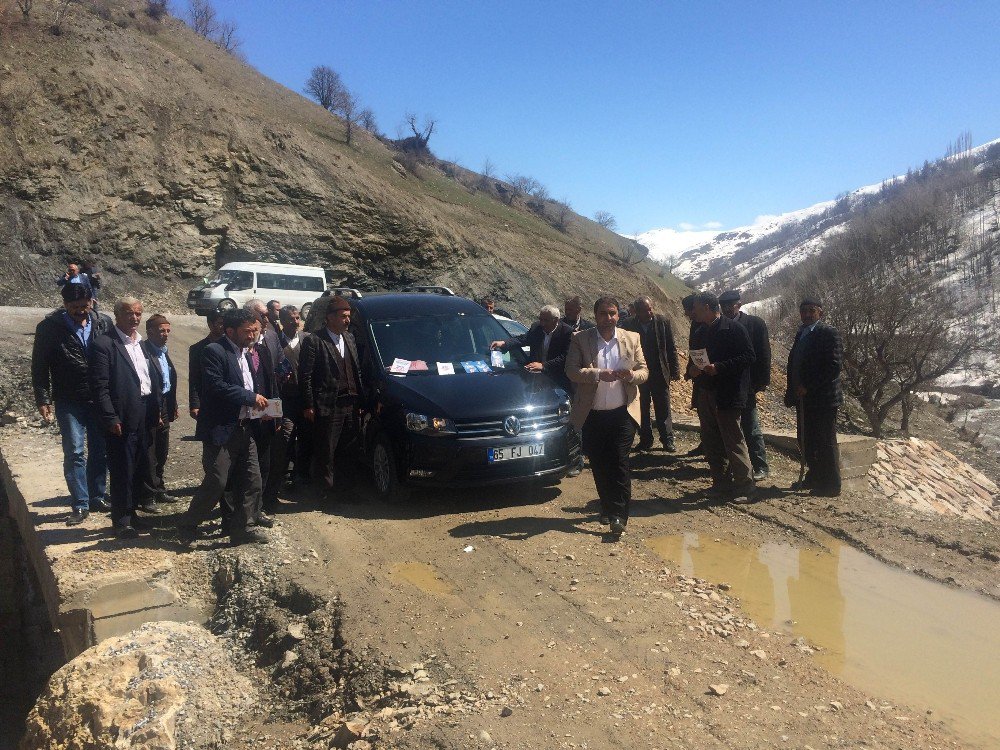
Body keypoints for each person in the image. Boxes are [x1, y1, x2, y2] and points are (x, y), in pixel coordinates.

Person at [179, 309, 271, 546]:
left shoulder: (246, 353)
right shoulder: (214, 351)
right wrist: (249, 397)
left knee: (253, 481)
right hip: (221, 429)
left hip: (244, 428)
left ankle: (243, 528)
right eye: (247, 331)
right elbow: (216, 386)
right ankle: (189, 524)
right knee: (218, 481)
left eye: (254, 330)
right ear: (231, 331)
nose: (252, 335)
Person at [565, 296, 648, 536]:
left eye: (612, 313)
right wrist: (599, 374)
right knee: (600, 463)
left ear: (618, 315)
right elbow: (571, 371)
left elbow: (644, 370)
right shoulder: (580, 339)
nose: (608, 318)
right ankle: (606, 505)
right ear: (596, 315)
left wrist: (631, 376)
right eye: (603, 313)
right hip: (592, 414)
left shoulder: (631, 339)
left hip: (623, 412)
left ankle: (618, 515)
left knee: (619, 461)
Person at [31, 284, 113, 525]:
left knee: (101, 449)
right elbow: (39, 366)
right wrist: (43, 398)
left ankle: (97, 496)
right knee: (75, 451)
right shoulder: (48, 328)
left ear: (91, 302)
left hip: (99, 397)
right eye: (75, 307)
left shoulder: (103, 323)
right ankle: (80, 504)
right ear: (65, 305)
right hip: (69, 399)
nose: (81, 311)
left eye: (84, 306)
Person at [89, 297, 160, 538]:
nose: (135, 318)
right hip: (122, 415)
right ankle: (121, 520)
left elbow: (148, 378)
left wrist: (157, 410)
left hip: (144, 410)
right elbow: (100, 386)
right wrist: (110, 417)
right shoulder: (104, 344)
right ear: (117, 315)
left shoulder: (141, 344)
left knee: (140, 464)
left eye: (138, 314)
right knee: (122, 467)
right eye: (130, 314)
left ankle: (133, 513)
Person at [689, 292, 756, 499]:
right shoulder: (700, 331)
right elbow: (695, 357)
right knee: (711, 440)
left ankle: (745, 484)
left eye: (697, 309)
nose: (694, 313)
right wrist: (691, 370)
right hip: (706, 391)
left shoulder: (734, 329)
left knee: (733, 439)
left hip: (728, 392)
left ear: (708, 308)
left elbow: (748, 357)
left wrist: (719, 367)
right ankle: (720, 482)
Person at [298, 295, 364, 498]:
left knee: (349, 448)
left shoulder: (350, 338)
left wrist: (361, 399)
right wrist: (308, 405)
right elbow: (306, 376)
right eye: (343, 316)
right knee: (326, 450)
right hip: (329, 404)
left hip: (351, 403)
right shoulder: (314, 340)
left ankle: (345, 490)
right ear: (329, 317)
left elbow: (357, 370)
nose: (347, 320)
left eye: (349, 316)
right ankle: (325, 491)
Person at [784, 297, 843, 496]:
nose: (807, 314)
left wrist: (808, 386)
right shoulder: (801, 332)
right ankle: (815, 476)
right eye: (804, 311)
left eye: (812, 310)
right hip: (804, 398)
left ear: (820, 313)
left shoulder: (828, 333)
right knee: (806, 439)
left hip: (823, 398)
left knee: (825, 441)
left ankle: (832, 484)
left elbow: (833, 367)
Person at [720, 290, 772, 480]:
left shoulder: (755, 324)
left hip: (748, 383)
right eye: (724, 306)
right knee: (733, 429)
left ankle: (760, 465)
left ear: (738, 305)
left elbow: (764, 354)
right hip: (728, 384)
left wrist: (762, 381)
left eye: (730, 306)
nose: (727, 309)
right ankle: (738, 466)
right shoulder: (720, 326)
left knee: (751, 426)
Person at [263, 305, 309, 508]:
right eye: (291, 319)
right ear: (282, 321)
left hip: (305, 399)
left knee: (307, 438)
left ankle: (300, 476)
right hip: (284, 400)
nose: (296, 322)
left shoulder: (308, 339)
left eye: (298, 318)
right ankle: (278, 479)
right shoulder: (275, 342)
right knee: (285, 436)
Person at [621, 296, 680, 452]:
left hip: (660, 373)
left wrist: (675, 371)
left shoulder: (662, 322)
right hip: (639, 374)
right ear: (636, 312)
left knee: (663, 408)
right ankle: (646, 439)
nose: (649, 312)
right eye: (644, 310)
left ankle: (667, 440)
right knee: (642, 408)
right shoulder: (628, 324)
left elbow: (671, 348)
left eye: (650, 308)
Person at [139, 314, 179, 506]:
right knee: (150, 452)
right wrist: (155, 411)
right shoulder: (144, 352)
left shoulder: (163, 351)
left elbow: (167, 381)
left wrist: (172, 406)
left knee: (162, 450)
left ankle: (159, 487)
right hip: (150, 406)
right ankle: (147, 495)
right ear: (150, 332)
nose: (166, 334)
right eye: (162, 330)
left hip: (163, 404)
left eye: (168, 331)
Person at [490, 305, 573, 390]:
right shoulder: (537, 327)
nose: (542, 323)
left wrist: (543, 366)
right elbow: (523, 339)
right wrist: (504, 343)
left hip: (555, 379)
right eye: (540, 319)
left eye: (546, 320)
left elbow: (565, 357)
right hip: (534, 377)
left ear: (556, 320)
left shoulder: (567, 332)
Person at [189, 310, 226, 420]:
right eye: (220, 323)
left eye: (225, 323)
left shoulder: (231, 347)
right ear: (210, 324)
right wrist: (195, 404)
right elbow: (194, 378)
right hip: (208, 400)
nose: (223, 326)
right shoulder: (198, 349)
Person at [681, 293, 704, 458]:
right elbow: (694, 350)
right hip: (699, 375)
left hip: (709, 375)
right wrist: (690, 369)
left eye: (688, 310)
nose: (686, 314)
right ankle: (706, 444)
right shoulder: (695, 324)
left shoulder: (707, 324)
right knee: (702, 412)